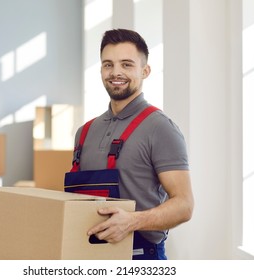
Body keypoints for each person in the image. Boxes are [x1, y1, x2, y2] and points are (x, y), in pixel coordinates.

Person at [71, 29, 194, 260]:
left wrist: (131, 221)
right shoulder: (84, 132)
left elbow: (185, 205)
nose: (116, 72)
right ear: (100, 70)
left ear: (145, 71)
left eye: (126, 64)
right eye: (108, 64)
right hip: (84, 254)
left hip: (139, 256)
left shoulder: (160, 128)